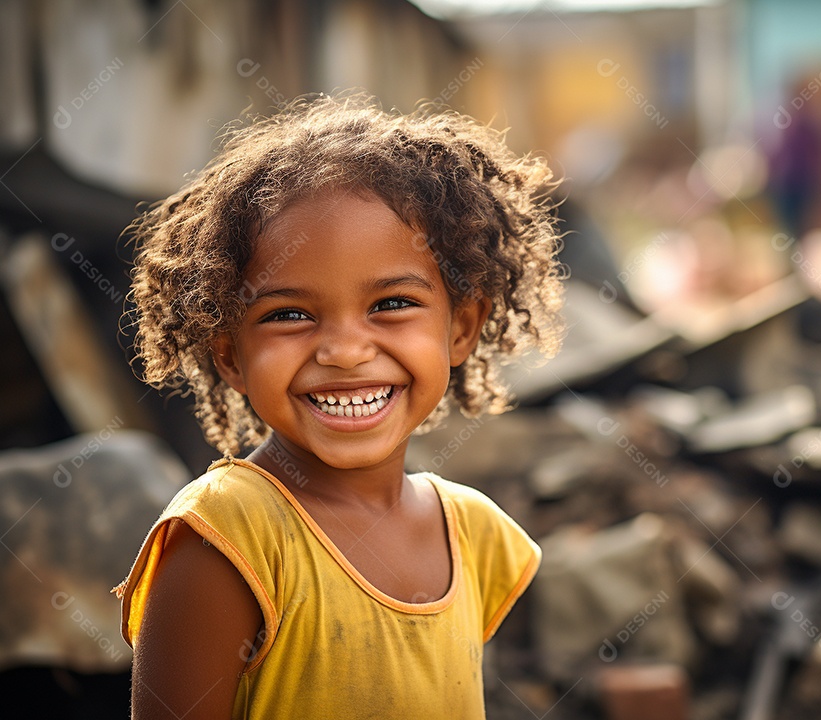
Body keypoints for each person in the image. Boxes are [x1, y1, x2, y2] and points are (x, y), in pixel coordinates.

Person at [113, 92, 565, 719]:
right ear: (231, 356)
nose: (346, 351)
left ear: (461, 328)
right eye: (289, 314)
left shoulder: (474, 534)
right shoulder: (228, 537)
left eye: (391, 304)